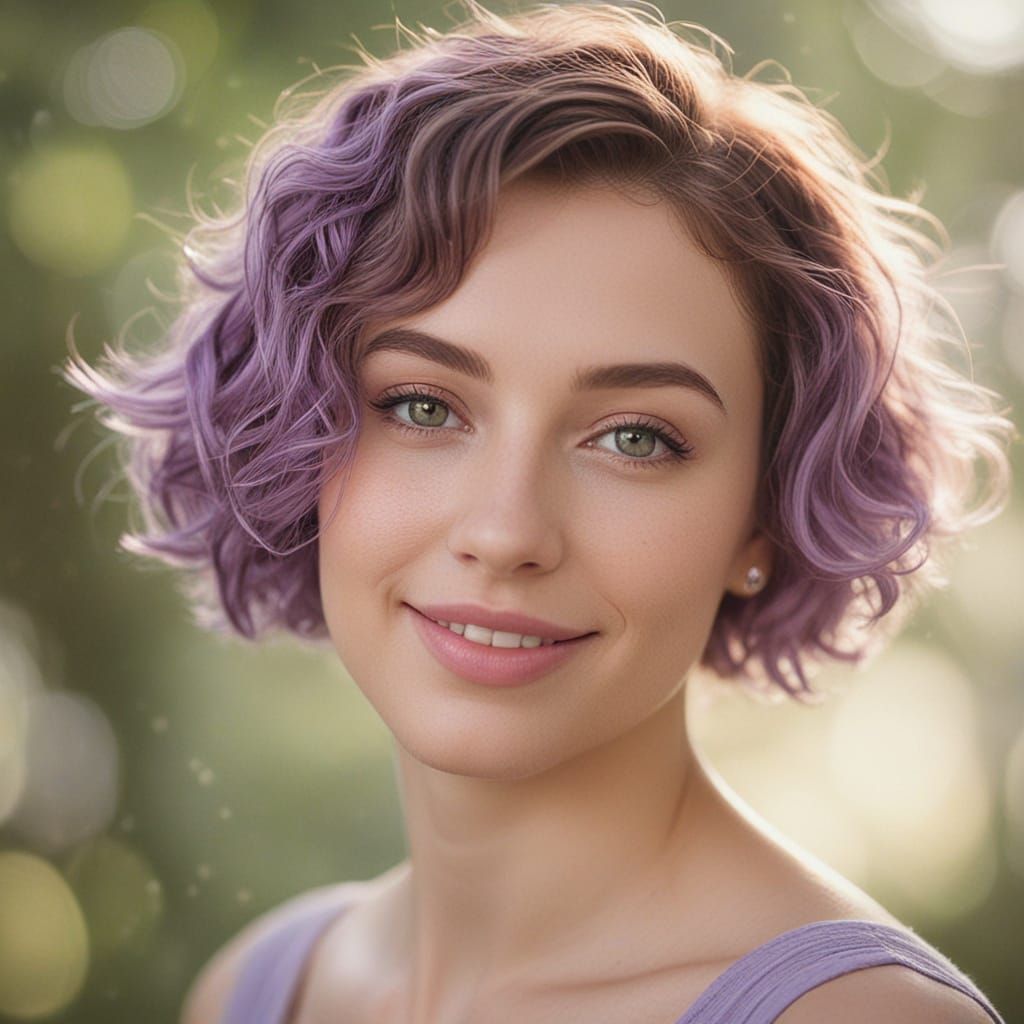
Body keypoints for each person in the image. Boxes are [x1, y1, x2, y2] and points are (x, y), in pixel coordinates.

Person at [61, 1, 1017, 1021]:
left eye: (635, 437)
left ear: (765, 514)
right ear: (290, 437)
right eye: (422, 406)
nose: (507, 531)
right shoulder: (257, 988)